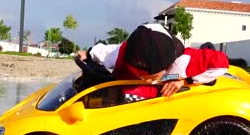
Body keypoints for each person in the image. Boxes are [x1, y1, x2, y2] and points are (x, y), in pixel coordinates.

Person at [77, 23, 229, 101]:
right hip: (126, 91)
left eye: (152, 76)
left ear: (167, 65)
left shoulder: (183, 60)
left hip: (165, 89)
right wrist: (88, 54)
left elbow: (222, 63)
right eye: (142, 76)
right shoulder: (121, 53)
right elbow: (102, 52)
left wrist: (185, 80)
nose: (147, 80)